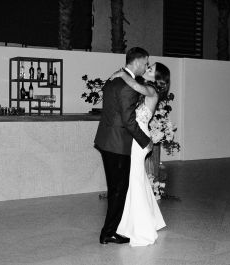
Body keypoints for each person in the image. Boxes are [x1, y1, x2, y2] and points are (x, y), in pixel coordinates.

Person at [94, 47, 153, 245]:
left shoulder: (113, 80)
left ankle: (110, 229)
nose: (146, 68)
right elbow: (129, 122)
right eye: (145, 64)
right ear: (136, 62)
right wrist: (146, 141)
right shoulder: (128, 86)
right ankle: (108, 232)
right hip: (117, 144)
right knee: (119, 190)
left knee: (115, 189)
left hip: (105, 140)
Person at [111, 62, 170, 247]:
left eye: (150, 70)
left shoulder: (151, 90)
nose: (146, 70)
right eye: (148, 67)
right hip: (139, 138)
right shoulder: (149, 89)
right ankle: (153, 220)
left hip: (139, 140)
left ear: (157, 78)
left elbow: (135, 86)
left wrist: (122, 74)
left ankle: (142, 229)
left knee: (135, 181)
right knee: (139, 180)